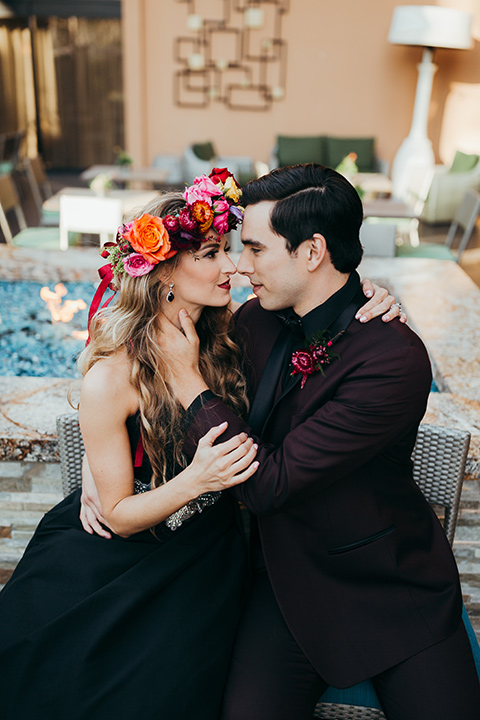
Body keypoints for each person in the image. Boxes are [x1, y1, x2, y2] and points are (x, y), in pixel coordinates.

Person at [153, 164, 480, 720]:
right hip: (281, 584)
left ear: (312, 253)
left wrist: (191, 383)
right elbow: (142, 323)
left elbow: (266, 485)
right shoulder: (256, 318)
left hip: (387, 586)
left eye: (255, 248)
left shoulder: (392, 359)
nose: (240, 264)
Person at [0, 174, 261, 720]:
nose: (231, 266)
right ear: (164, 271)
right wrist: (198, 478)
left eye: (229, 251)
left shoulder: (236, 333)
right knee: (50, 666)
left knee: (162, 687)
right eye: (213, 253)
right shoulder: (112, 374)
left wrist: (377, 302)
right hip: (118, 541)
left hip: (203, 555)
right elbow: (116, 516)